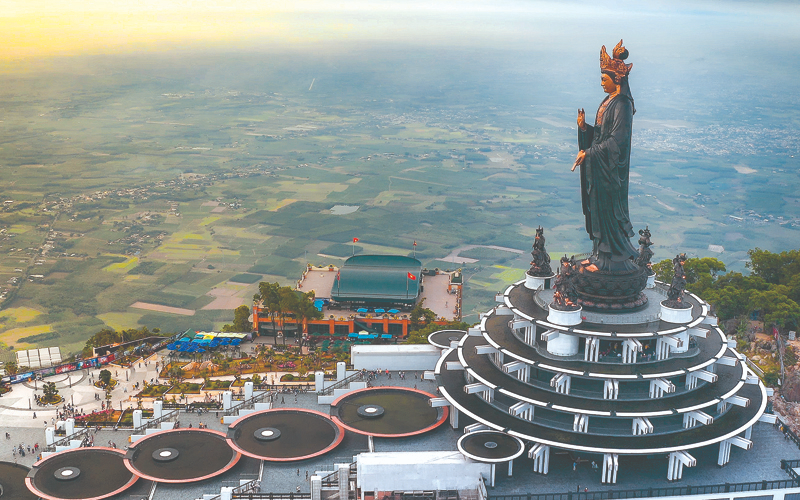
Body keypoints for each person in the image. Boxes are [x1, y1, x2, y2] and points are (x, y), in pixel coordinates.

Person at [572, 40, 638, 272]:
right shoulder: (608, 101)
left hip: (610, 171)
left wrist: (589, 152)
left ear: (616, 79)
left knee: (608, 210)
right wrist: (584, 129)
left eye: (604, 79)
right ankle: (600, 253)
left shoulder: (622, 104)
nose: (601, 83)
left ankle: (611, 258)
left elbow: (616, 141)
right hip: (599, 168)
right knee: (596, 207)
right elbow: (601, 135)